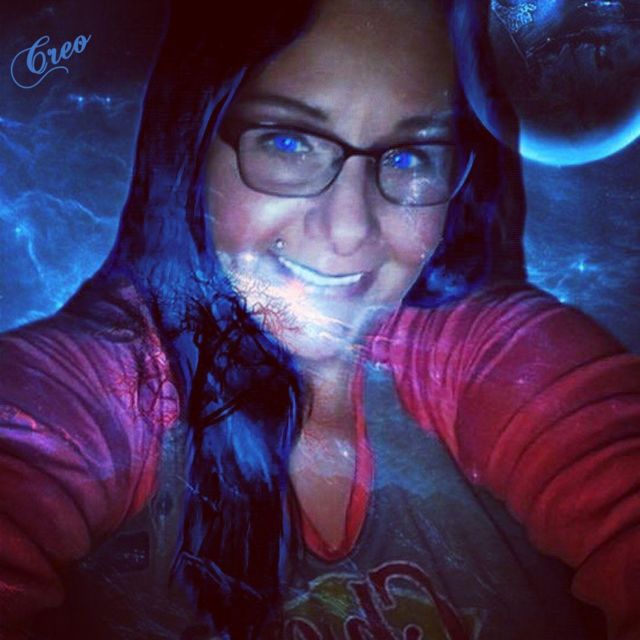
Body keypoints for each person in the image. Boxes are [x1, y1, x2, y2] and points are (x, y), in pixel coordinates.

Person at [0, 0, 638, 638]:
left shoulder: (484, 352)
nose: (349, 229)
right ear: (193, 142)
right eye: (288, 142)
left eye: (411, 156)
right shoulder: (106, 381)